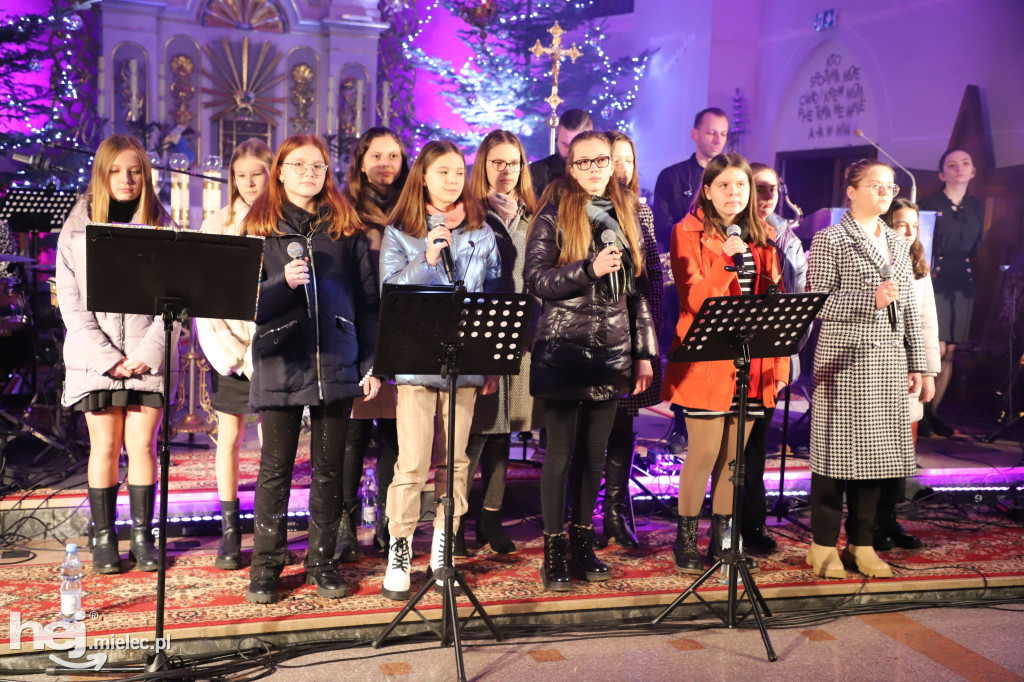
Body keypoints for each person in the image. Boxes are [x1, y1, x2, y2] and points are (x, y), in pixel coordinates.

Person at [242, 134, 380, 604]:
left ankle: (321, 561)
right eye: (298, 165)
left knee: (328, 469)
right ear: (278, 171)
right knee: (275, 470)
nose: (308, 173)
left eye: (317, 166)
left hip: (336, 361)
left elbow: (368, 303)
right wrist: (283, 282)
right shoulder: (258, 230)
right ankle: (266, 566)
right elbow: (247, 303)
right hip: (281, 359)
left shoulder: (348, 230)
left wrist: (369, 363)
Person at [525, 130, 657, 591]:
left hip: (613, 352)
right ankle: (554, 551)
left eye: (602, 160)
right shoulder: (553, 213)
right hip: (563, 351)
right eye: (584, 162)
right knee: (560, 456)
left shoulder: (626, 211)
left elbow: (638, 291)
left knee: (595, 457)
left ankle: (584, 544)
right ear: (571, 166)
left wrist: (644, 353)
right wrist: (587, 270)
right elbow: (536, 282)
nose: (596, 168)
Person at [378, 140, 500, 601]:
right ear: (423, 178)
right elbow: (391, 293)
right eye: (442, 172)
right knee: (412, 463)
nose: (452, 180)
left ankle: (443, 545)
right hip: (415, 363)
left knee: (457, 459)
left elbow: (490, 297)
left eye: (458, 173)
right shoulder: (400, 232)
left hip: (464, 362)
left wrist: (489, 362)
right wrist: (426, 258)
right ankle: (401, 546)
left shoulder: (481, 232)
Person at [56, 134, 179, 575]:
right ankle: (105, 537)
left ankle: (143, 537)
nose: (126, 180)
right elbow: (70, 304)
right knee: (105, 447)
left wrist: (148, 352)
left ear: (146, 174)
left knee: (142, 445)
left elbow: (177, 303)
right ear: (101, 174)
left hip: (148, 357)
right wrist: (109, 359)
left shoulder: (165, 226)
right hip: (96, 360)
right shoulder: (75, 231)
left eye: (135, 170)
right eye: (116, 171)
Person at [661, 152, 788, 576]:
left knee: (734, 460)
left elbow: (775, 304)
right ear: (708, 190)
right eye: (724, 186)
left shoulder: (765, 234)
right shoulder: (687, 230)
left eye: (741, 186)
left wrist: (780, 367)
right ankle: (684, 540)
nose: (734, 193)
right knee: (703, 453)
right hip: (708, 358)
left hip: (754, 362)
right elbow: (695, 299)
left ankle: (724, 539)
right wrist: (724, 260)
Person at [806, 159, 926, 580]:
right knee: (835, 460)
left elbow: (909, 307)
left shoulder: (896, 242)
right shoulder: (831, 239)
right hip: (845, 363)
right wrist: (867, 300)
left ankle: (862, 543)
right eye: (876, 186)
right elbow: (816, 302)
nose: (884, 194)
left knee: (874, 460)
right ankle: (822, 547)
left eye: (890, 188)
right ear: (852, 190)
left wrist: (921, 365)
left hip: (888, 363)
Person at [457, 130, 540, 556]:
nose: (506, 171)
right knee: (474, 432)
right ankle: (455, 521)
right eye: (497, 162)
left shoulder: (533, 215)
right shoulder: (469, 214)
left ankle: (491, 516)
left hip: (521, 338)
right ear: (482, 165)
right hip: (480, 337)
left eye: (513, 163)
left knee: (505, 431)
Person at [195, 138, 273, 571]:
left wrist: (264, 352)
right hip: (231, 353)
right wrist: (236, 356)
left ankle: (265, 527)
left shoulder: (282, 222)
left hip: (270, 353)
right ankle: (230, 531)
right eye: (240, 176)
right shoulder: (217, 224)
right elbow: (207, 302)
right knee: (229, 440)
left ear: (270, 174)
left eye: (256, 175)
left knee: (269, 445)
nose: (248, 183)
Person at [338, 126, 410, 560]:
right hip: (355, 334)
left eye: (394, 157)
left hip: (400, 334)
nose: (386, 164)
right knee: (351, 435)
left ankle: (387, 522)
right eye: (376, 156)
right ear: (361, 162)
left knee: (395, 438)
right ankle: (346, 523)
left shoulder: (412, 212)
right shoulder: (344, 211)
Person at [597, 130, 664, 549]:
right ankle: (580, 512)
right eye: (614, 159)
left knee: (623, 424)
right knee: (586, 428)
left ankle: (617, 512)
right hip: (587, 333)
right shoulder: (579, 208)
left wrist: (648, 342)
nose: (622, 168)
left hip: (630, 330)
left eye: (628, 160)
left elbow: (652, 277)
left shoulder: (643, 212)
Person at [738, 163, 808, 554]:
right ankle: (721, 526)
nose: (767, 198)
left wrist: (786, 358)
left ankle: (753, 524)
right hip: (729, 352)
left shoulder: (786, 238)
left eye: (772, 190)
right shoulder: (729, 229)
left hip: (769, 357)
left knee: (756, 448)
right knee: (728, 448)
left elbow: (796, 301)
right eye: (759, 189)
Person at [653, 107, 730, 454]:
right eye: (711, 132)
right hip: (684, 272)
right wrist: (697, 237)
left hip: (723, 271)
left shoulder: (730, 177)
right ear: (695, 134)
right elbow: (662, 222)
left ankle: (712, 421)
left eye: (723, 134)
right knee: (684, 348)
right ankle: (681, 422)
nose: (717, 139)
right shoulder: (673, 175)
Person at [873, 198, 939, 551]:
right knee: (873, 455)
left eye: (914, 224)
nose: (909, 231)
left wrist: (927, 372)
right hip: (875, 368)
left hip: (908, 372)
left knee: (899, 457)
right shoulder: (876, 257)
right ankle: (867, 526)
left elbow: (927, 319)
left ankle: (889, 519)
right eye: (901, 223)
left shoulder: (917, 263)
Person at [918, 148, 984, 437]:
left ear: (973, 171)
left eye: (965, 164)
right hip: (936, 277)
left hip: (962, 281)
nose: (959, 168)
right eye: (952, 164)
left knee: (950, 352)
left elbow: (977, 245)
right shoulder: (929, 203)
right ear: (942, 173)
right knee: (937, 347)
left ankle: (931, 415)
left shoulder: (976, 206)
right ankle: (919, 415)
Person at [529, 108, 593, 196]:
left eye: (576, 146)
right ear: (558, 134)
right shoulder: (535, 172)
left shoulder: (601, 173)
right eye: (565, 145)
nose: (570, 153)